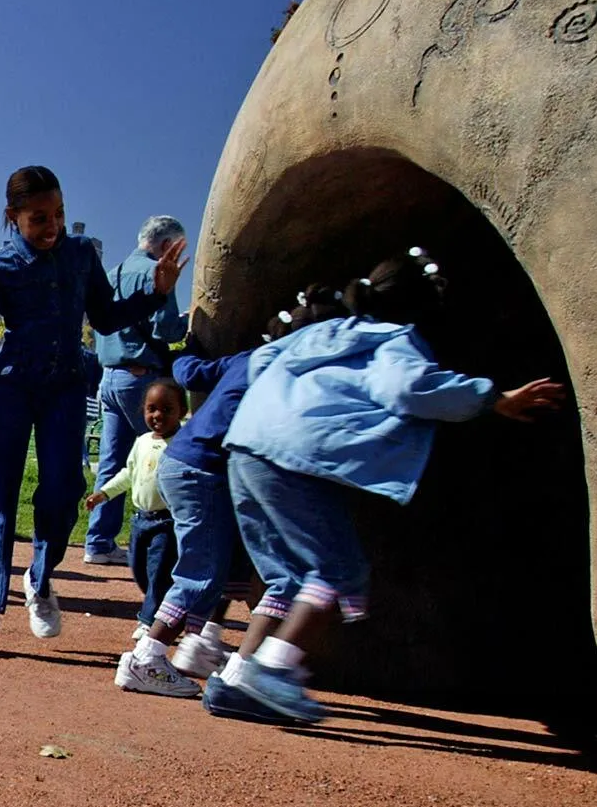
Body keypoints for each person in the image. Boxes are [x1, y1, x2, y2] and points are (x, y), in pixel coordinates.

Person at [210, 248, 567, 725]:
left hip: (248, 444)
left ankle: (234, 679)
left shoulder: (321, 332)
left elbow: (262, 363)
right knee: (338, 569)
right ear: (419, 306)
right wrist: (492, 398)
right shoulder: (395, 339)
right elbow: (408, 389)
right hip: (292, 457)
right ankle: (271, 670)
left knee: (287, 578)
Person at [0, 166, 154, 651]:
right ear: (13, 217)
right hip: (13, 387)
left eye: (58, 214)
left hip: (64, 387)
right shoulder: (0, 271)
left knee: (65, 487)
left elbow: (103, 316)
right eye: (39, 218)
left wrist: (155, 293)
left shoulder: (79, 256)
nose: (52, 226)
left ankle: (39, 578)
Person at [113, 284, 347, 699]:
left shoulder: (249, 360)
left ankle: (200, 644)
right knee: (201, 570)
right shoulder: (293, 374)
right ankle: (147, 656)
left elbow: (190, 373)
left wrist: (187, 347)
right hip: (204, 469)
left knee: (223, 564)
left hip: (190, 465)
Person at [83, 216, 191, 567]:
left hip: (109, 378)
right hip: (143, 380)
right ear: (167, 247)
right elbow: (167, 330)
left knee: (113, 463)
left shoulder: (112, 272)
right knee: (161, 458)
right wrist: (191, 319)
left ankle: (98, 542)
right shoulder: (156, 273)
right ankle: (160, 541)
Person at [85, 376, 185, 635]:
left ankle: (149, 621)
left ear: (181, 412)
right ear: (143, 411)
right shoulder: (141, 442)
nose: (158, 415)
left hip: (168, 522)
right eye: (151, 409)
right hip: (140, 519)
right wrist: (103, 493)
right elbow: (127, 474)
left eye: (167, 409)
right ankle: (166, 609)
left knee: (159, 573)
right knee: (140, 569)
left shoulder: (182, 443)